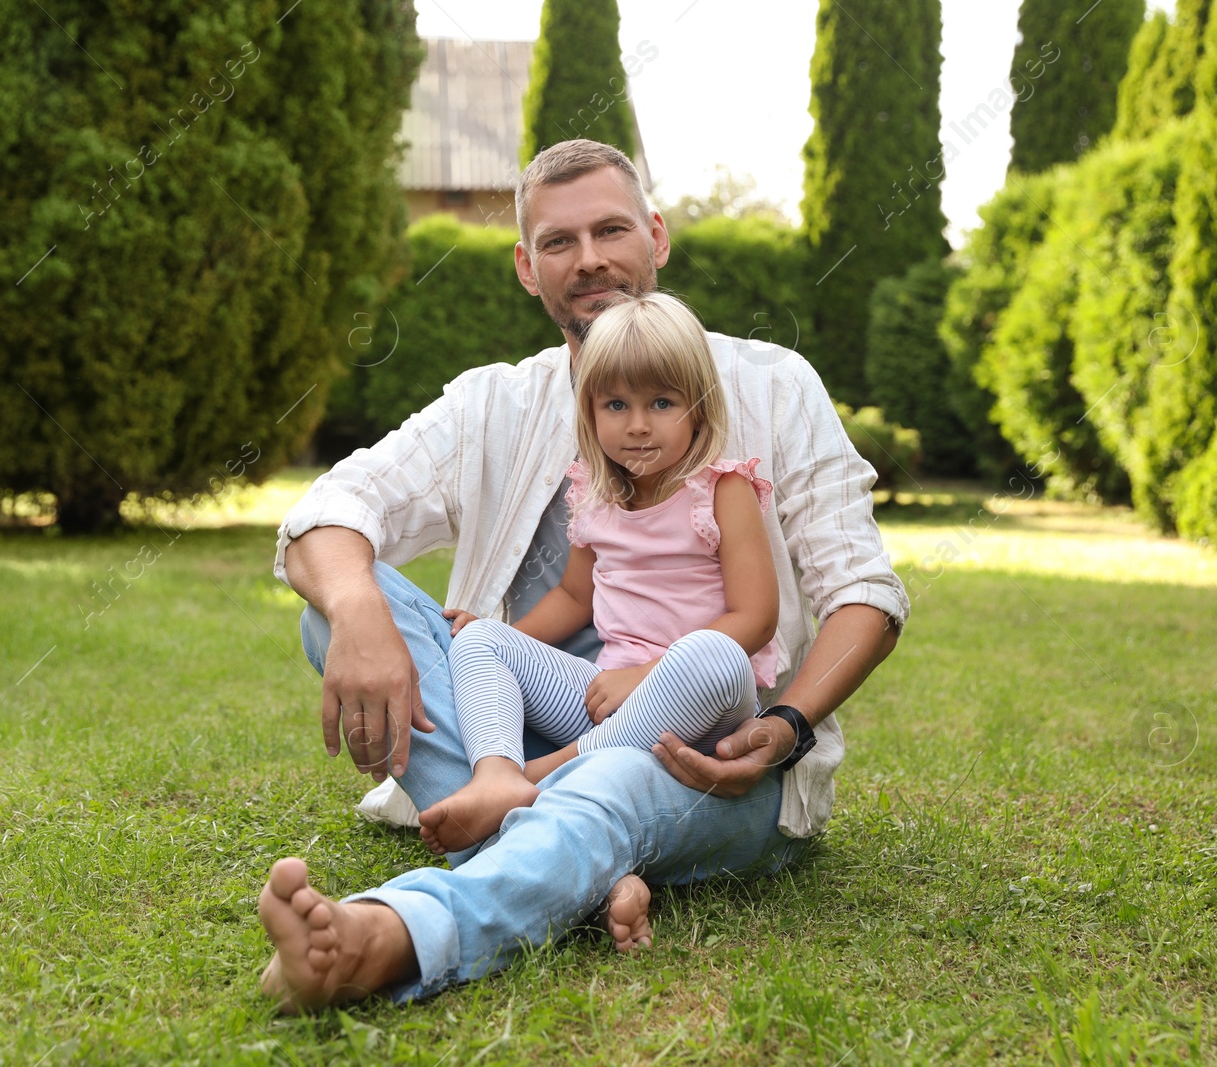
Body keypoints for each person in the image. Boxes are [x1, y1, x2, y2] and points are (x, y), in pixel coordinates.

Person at [258, 139, 910, 1011]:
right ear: (528, 268)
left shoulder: (773, 387)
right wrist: (357, 606)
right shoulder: (493, 401)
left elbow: (864, 591)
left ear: (657, 237)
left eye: (611, 230)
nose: (591, 258)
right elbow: (334, 506)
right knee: (339, 611)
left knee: (614, 783)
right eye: (560, 242)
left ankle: (391, 937)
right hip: (543, 711)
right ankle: (558, 840)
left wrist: (788, 723)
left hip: (708, 752)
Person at [420, 291, 783, 858]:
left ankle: (535, 779)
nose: (637, 426)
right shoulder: (593, 491)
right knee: (482, 636)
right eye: (616, 406)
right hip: (606, 700)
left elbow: (756, 619)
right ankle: (497, 774)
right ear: (588, 411)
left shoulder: (722, 490)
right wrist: (509, 641)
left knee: (712, 653)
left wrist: (647, 674)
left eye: (662, 403)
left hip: (704, 704)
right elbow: (573, 596)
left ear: (700, 407)